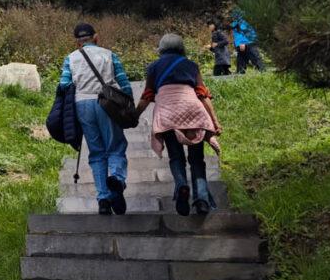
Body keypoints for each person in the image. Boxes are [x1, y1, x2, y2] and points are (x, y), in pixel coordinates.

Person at [135, 34, 223, 216]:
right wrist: (214, 121)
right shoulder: (191, 65)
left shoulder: (153, 67)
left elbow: (147, 95)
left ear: (161, 49)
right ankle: (202, 201)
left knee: (176, 157)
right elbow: (202, 94)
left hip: (167, 113)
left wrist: (134, 115)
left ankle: (182, 185)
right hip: (192, 109)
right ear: (181, 48)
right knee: (197, 159)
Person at [58, 23, 132, 215]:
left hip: (83, 105)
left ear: (77, 42)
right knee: (115, 146)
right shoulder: (109, 55)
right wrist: (130, 108)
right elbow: (124, 83)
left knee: (97, 152)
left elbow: (64, 84)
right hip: (107, 104)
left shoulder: (71, 58)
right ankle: (116, 178)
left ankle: (103, 199)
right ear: (96, 37)